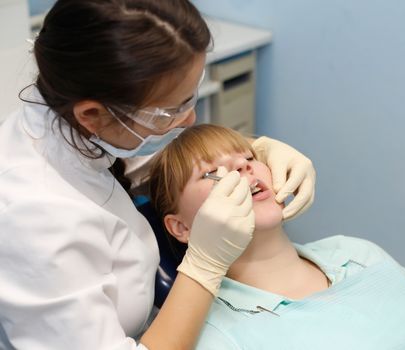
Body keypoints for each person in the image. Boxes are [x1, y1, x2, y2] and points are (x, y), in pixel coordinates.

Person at [0, 1, 316, 349]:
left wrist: (255, 144)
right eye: (172, 110)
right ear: (92, 115)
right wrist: (203, 264)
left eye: (190, 96)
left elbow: (142, 154)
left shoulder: (79, 119)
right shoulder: (34, 218)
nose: (191, 119)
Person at [149, 124, 405, 350]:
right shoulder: (214, 335)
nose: (242, 169)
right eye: (211, 173)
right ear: (182, 228)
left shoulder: (357, 253)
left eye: (249, 158)